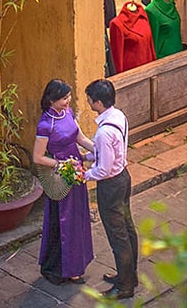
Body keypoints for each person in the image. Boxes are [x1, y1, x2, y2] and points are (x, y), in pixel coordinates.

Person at [32, 79, 92, 285]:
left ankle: (77, 264)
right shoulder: (45, 124)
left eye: (68, 97)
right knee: (64, 222)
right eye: (64, 98)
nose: (68, 101)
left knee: (78, 217)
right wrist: (61, 165)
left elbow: (81, 138)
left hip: (76, 172)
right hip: (62, 175)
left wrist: (100, 149)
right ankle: (63, 268)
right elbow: (38, 157)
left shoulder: (68, 114)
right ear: (51, 99)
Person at [83, 79, 136, 301]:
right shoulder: (118, 116)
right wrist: (88, 156)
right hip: (123, 177)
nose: (88, 102)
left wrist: (84, 175)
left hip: (111, 185)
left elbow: (103, 169)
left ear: (99, 102)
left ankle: (124, 287)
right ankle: (129, 276)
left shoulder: (104, 132)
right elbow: (110, 153)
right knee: (127, 228)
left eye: (90, 99)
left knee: (118, 236)